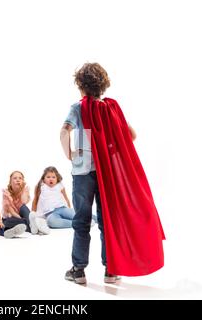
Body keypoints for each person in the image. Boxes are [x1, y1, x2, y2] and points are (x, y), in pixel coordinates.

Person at [61, 62, 165, 285]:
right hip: (105, 173)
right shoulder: (110, 109)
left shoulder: (78, 107)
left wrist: (70, 153)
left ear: (81, 85)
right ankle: (111, 270)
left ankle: (78, 270)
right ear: (103, 85)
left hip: (82, 171)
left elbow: (64, 131)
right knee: (106, 220)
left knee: (81, 219)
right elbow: (132, 136)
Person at [31, 166, 75, 232]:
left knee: (76, 214)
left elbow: (66, 198)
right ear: (44, 178)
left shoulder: (60, 185)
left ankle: (93, 218)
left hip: (62, 209)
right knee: (51, 222)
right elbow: (35, 199)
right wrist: (33, 213)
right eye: (48, 177)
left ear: (57, 178)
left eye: (53, 177)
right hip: (50, 214)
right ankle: (77, 224)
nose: (51, 179)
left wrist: (69, 207)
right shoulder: (41, 186)